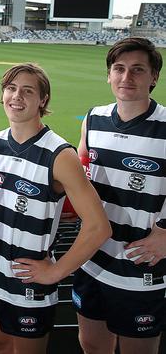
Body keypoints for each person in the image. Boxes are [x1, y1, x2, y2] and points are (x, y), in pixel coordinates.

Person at [0, 63, 111, 354]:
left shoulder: (60, 154)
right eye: (11, 89)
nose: (16, 97)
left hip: (29, 281)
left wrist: (55, 272)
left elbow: (99, 226)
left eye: (27, 91)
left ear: (43, 100)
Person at [74, 37, 165, 354]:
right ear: (109, 75)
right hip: (93, 259)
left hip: (141, 266)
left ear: (153, 77)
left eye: (138, 70)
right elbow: (79, 176)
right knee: (91, 344)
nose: (127, 78)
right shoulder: (93, 118)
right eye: (119, 69)